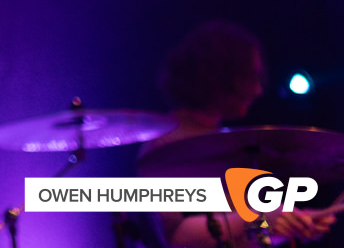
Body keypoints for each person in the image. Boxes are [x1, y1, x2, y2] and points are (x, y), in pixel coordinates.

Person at [140, 21, 336, 247]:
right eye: (250, 76)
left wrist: (293, 224)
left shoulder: (230, 143)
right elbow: (176, 238)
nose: (258, 90)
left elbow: (246, 234)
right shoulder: (164, 146)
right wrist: (262, 218)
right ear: (217, 75)